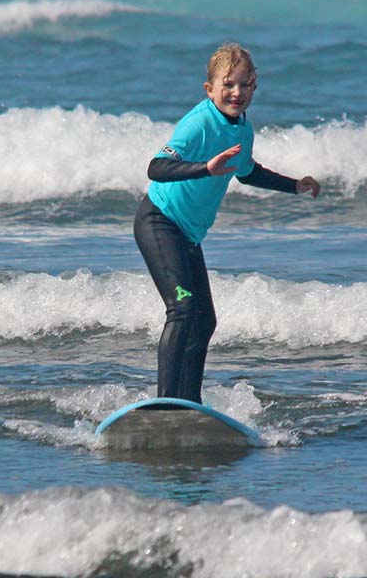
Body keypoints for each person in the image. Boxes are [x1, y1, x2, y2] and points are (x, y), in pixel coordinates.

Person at [133, 42, 320, 404]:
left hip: (187, 233)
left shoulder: (242, 130)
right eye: (228, 84)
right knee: (184, 310)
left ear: (254, 87)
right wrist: (205, 167)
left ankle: (189, 404)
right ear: (210, 88)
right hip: (159, 222)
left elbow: (248, 172)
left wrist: (294, 186)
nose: (237, 93)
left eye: (245, 85)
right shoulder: (200, 123)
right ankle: (167, 403)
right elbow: (156, 167)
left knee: (205, 321)